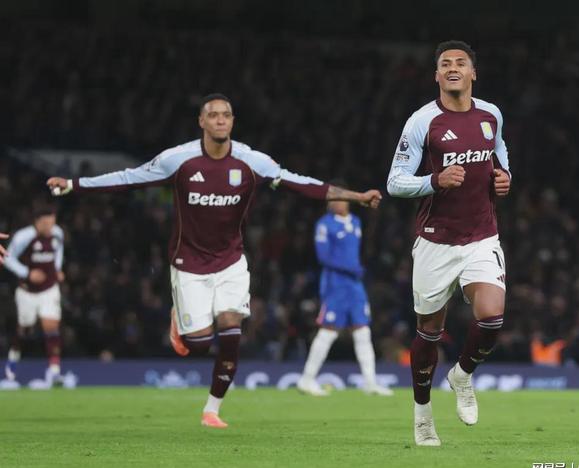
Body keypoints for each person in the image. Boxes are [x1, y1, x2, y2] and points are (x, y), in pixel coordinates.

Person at [47, 93, 382, 429]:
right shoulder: (178, 160)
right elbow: (128, 178)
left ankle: (212, 409)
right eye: (213, 115)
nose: (220, 120)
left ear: (233, 121)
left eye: (226, 115)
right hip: (188, 264)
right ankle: (179, 321)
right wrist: (74, 184)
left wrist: (356, 197)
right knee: (199, 344)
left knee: (232, 328)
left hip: (231, 261)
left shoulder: (251, 161)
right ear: (202, 122)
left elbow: (302, 184)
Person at [387, 40, 511, 446]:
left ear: (473, 72)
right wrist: (434, 180)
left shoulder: (491, 114)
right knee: (429, 331)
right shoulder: (422, 121)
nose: (453, 68)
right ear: (437, 75)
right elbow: (395, 182)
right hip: (435, 241)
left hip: (481, 236)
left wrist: (505, 176)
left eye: (461, 63)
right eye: (445, 64)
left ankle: (462, 374)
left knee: (492, 317)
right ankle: (423, 416)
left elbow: (499, 152)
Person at [297, 188, 393, 397]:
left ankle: (370, 382)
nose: (335, 203)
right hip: (335, 285)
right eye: (332, 200)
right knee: (329, 331)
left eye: (339, 199)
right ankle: (307, 379)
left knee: (363, 331)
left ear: (347, 201)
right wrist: (351, 268)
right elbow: (323, 257)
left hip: (355, 286)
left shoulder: (356, 222)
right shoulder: (324, 224)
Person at [3, 208, 65, 385]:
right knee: (25, 330)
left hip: (49, 289)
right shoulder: (23, 237)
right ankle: (13, 360)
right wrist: (27, 273)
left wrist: (57, 269)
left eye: (52, 222)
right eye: (46, 223)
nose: (50, 227)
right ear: (37, 221)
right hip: (27, 292)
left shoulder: (57, 233)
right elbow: (7, 258)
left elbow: (58, 251)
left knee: (51, 327)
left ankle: (54, 372)